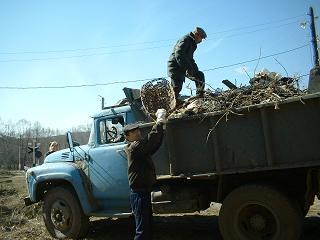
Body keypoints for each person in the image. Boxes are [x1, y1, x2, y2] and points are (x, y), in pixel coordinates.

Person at [124, 109, 167, 240]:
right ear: (127, 136)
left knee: (147, 227)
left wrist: (162, 129)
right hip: (139, 194)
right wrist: (159, 121)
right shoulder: (134, 147)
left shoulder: (140, 148)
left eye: (138, 130)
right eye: (133, 132)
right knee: (142, 230)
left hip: (143, 192)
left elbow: (154, 145)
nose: (137, 133)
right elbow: (150, 140)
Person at [167, 27, 207, 101]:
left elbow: (190, 59)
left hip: (184, 66)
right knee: (176, 87)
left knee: (199, 76)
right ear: (197, 35)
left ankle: (200, 98)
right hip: (175, 67)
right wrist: (187, 68)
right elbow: (179, 54)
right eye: (201, 38)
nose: (201, 41)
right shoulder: (186, 39)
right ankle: (170, 104)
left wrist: (195, 70)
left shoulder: (192, 43)